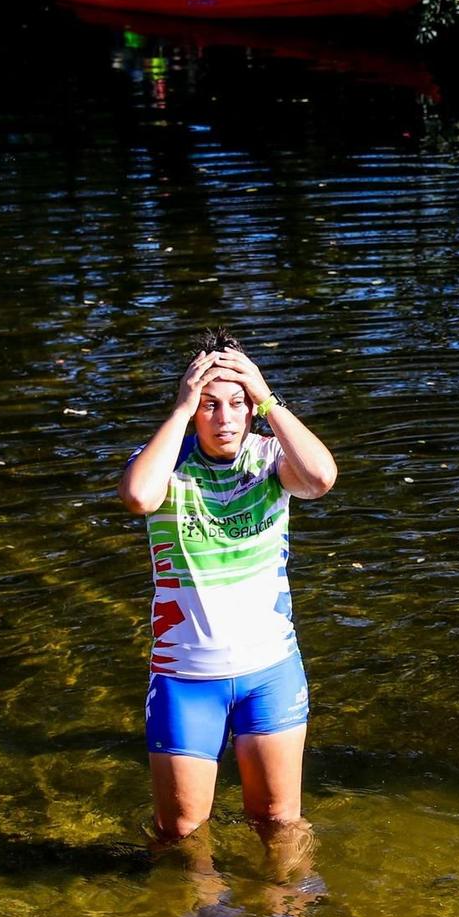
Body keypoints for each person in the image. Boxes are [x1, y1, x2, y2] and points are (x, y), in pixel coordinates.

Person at [118, 329, 336, 872]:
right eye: (210, 405)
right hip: (185, 679)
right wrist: (181, 406)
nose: (225, 418)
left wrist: (267, 397)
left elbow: (322, 478)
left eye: (236, 403)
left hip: (271, 673)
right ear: (193, 410)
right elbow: (139, 497)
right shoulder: (166, 467)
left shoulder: (270, 460)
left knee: (279, 821)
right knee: (182, 835)